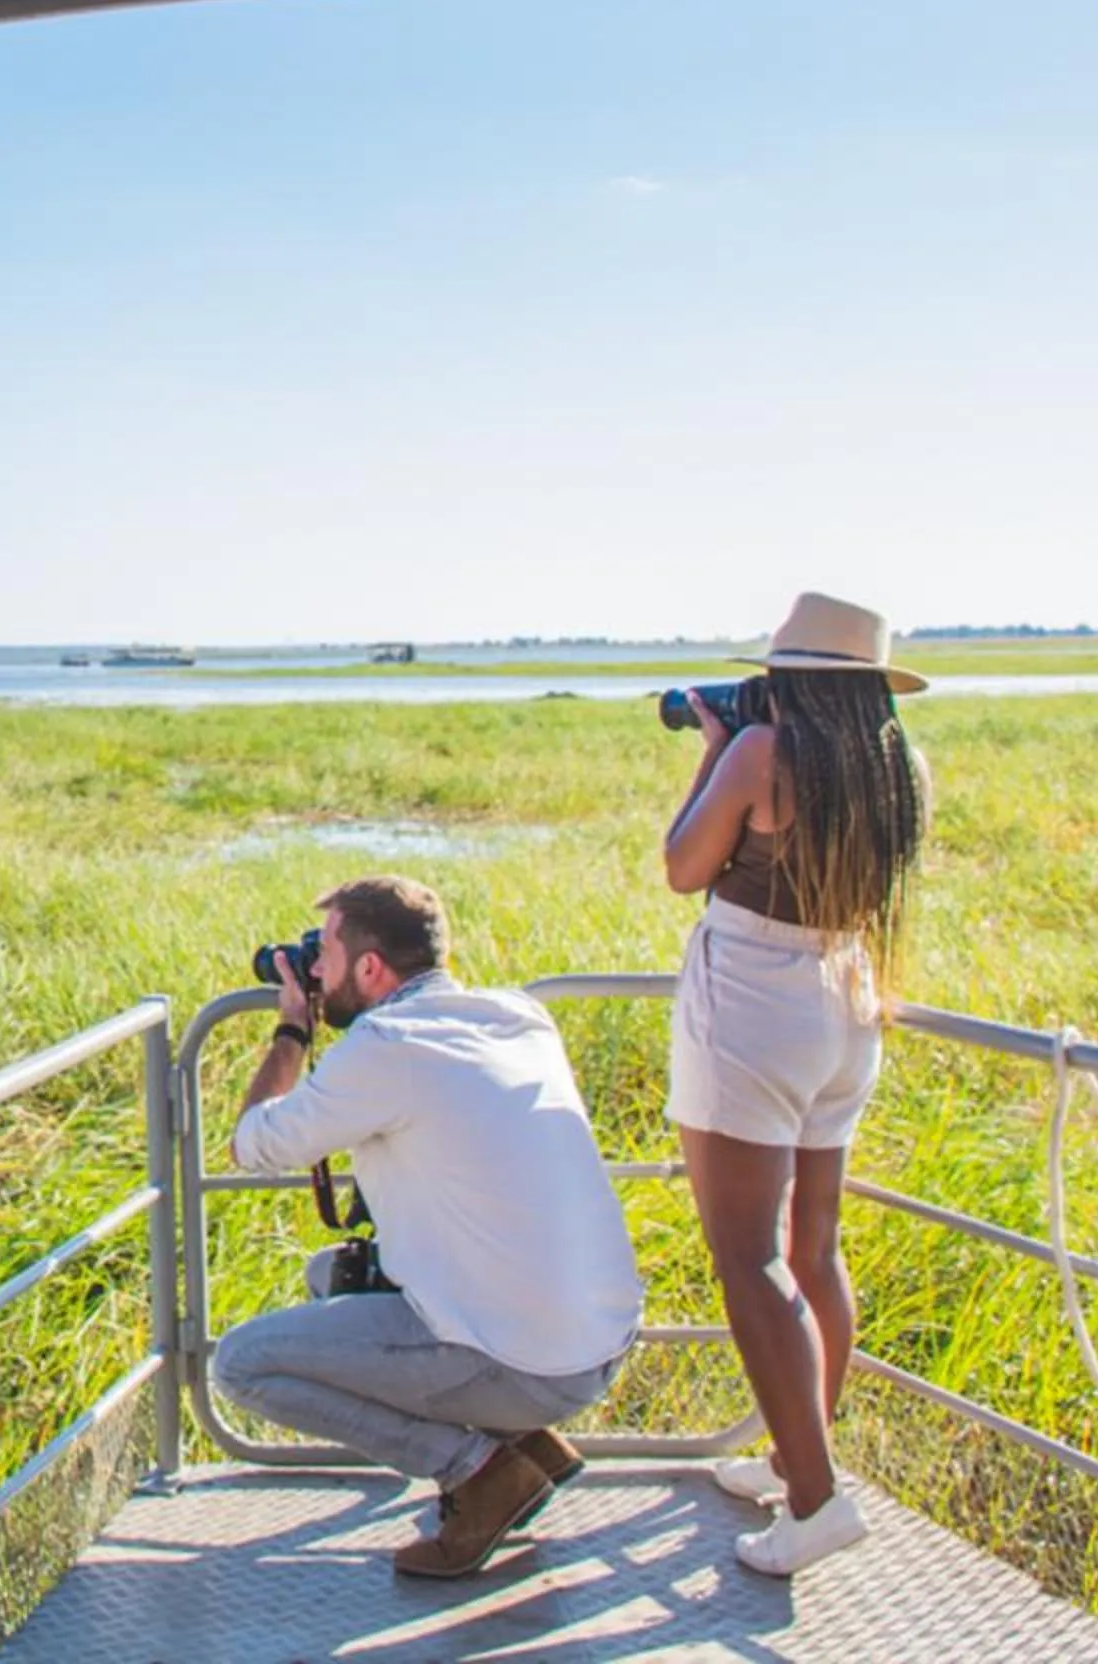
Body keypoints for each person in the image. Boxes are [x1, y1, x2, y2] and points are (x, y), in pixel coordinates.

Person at [210, 876, 644, 1579]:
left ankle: (477, 1471)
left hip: (529, 1361)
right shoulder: (518, 1015)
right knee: (334, 1277)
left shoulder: (387, 1043)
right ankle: (531, 1444)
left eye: (325, 954)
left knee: (241, 1364)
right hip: (598, 1341)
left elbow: (254, 1142)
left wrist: (293, 1025)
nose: (314, 968)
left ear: (371, 968)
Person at [664, 591, 929, 1576]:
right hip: (845, 1000)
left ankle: (814, 1501)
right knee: (813, 1247)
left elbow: (684, 865)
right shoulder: (895, 766)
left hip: (753, 1006)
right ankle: (793, 1456)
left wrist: (715, 745)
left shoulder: (756, 756)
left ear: (794, 677)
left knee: (747, 1258)